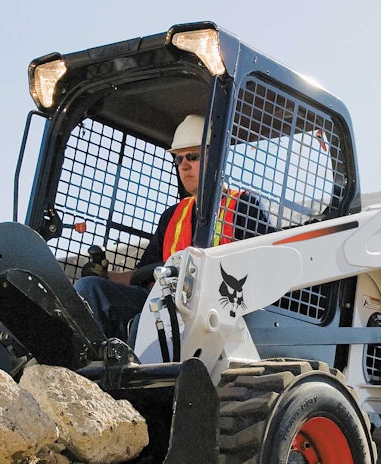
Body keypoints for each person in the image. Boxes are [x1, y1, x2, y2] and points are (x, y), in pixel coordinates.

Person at [75, 114, 271, 341]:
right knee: (89, 289)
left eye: (193, 156)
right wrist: (105, 275)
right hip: (164, 300)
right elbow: (143, 275)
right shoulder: (173, 216)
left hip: (216, 311)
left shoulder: (244, 206)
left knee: (151, 319)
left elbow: (260, 269)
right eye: (178, 159)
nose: (184, 165)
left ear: (216, 157)